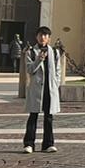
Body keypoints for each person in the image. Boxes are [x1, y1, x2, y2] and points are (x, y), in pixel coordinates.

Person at [23, 26, 63, 154]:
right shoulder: (30, 52)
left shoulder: (54, 52)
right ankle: (29, 144)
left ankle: (48, 144)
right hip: (36, 89)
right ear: (37, 37)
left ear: (49, 38)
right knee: (33, 117)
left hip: (49, 88)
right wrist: (39, 59)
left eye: (45, 35)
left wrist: (56, 83)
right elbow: (30, 70)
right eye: (40, 35)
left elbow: (58, 70)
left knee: (48, 117)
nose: (43, 38)